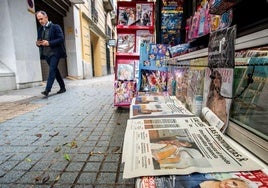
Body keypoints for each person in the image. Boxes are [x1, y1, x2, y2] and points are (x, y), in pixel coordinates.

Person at [36, 10, 66, 97]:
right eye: (38, 20)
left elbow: (61, 39)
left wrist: (49, 43)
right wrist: (38, 43)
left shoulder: (55, 27)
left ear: (46, 17)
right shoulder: (40, 29)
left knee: (52, 70)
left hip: (55, 53)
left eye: (41, 19)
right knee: (55, 71)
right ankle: (63, 87)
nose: (40, 21)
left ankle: (47, 90)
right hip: (46, 54)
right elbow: (39, 41)